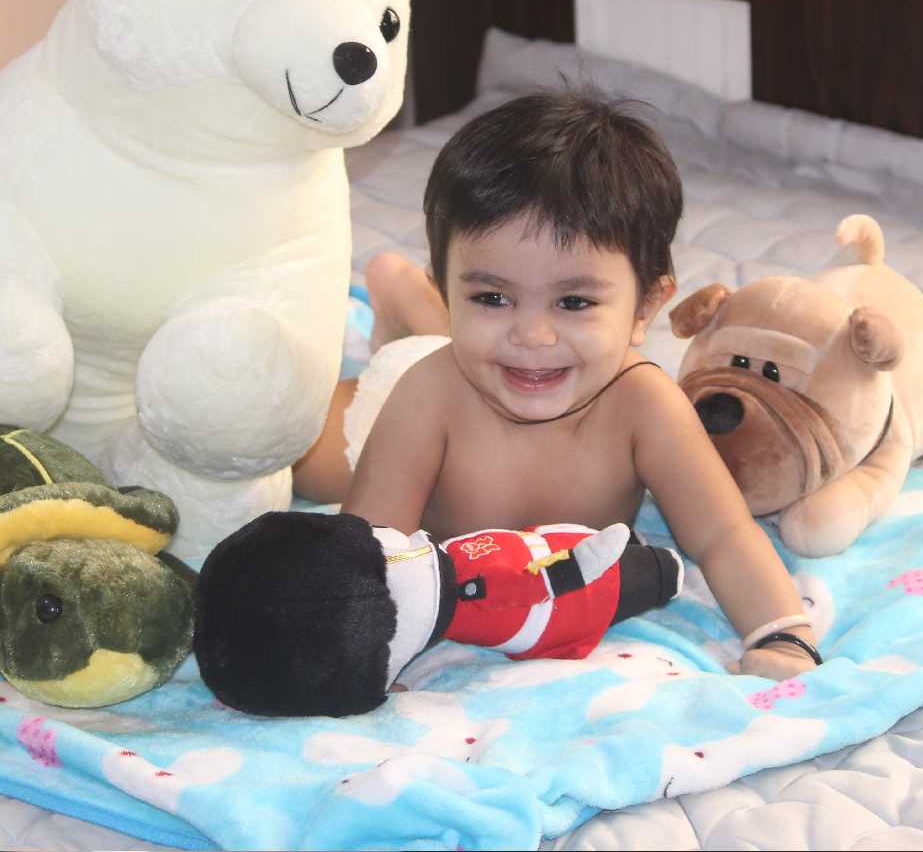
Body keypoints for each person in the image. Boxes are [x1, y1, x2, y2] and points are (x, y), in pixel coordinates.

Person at [300, 88, 821, 680]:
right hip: (412, 393)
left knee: (490, 347)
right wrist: (353, 655)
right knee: (299, 449)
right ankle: (401, 304)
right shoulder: (426, 396)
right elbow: (367, 551)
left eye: (574, 302)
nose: (533, 335)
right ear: (449, 289)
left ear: (645, 306)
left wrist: (785, 636)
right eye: (490, 296)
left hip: (481, 358)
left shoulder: (645, 403)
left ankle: (406, 302)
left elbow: (723, 533)